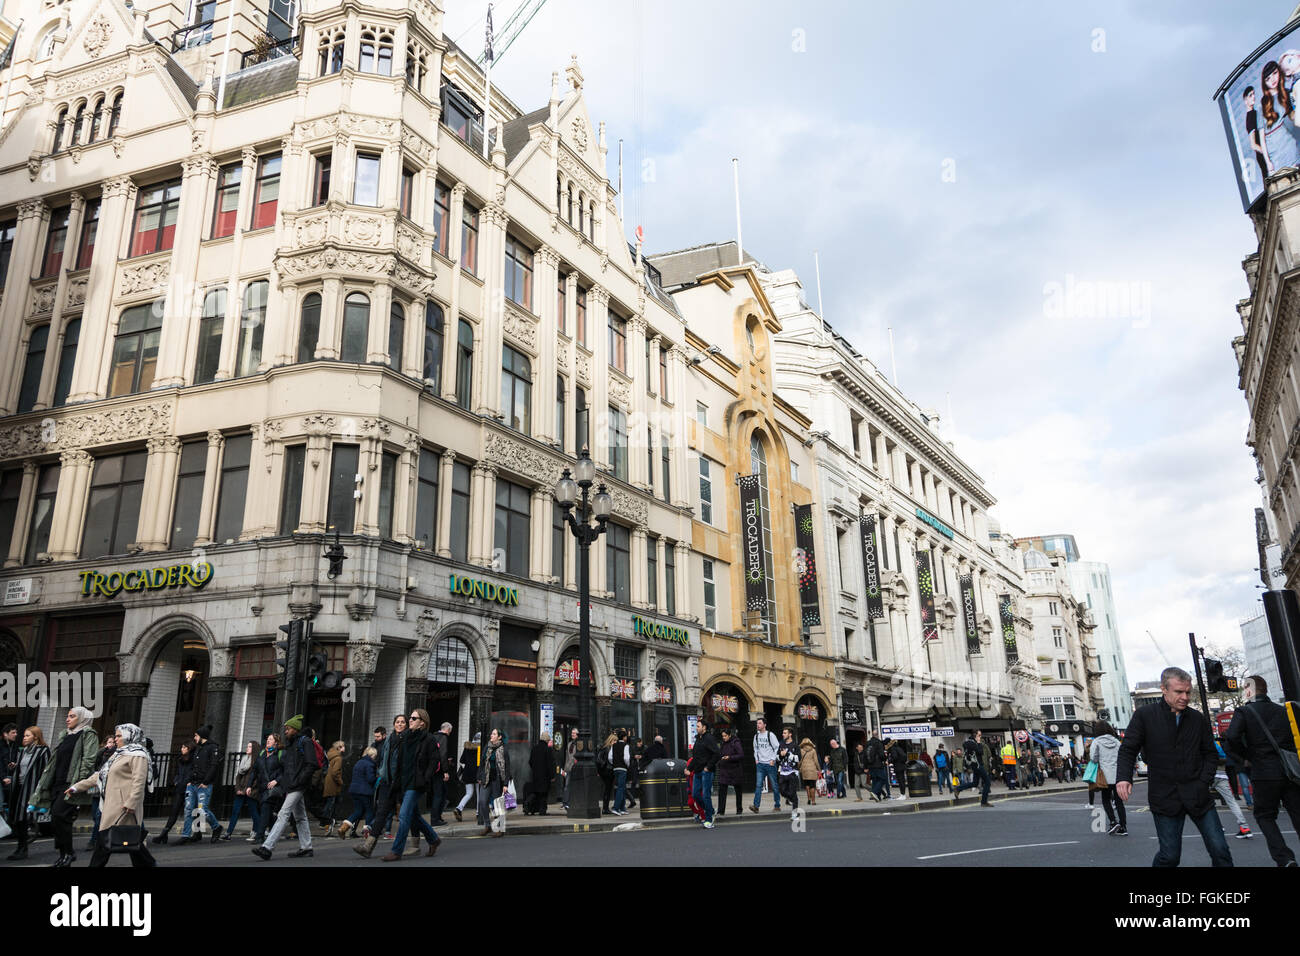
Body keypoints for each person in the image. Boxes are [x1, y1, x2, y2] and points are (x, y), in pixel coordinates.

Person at [1117, 666, 1232, 868]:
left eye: (1188, 692)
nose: (1185, 697)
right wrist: (1123, 778)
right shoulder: (1145, 716)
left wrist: (1203, 781)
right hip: (1165, 797)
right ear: (1164, 689)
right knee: (1169, 857)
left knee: (1220, 851)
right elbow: (1128, 749)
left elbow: (1210, 754)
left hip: (1198, 797)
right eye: (1179, 692)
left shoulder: (1197, 719)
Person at [1223, 674, 1300, 867]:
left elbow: (1231, 737)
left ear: (1249, 690)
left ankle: (1285, 858)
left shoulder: (1244, 712)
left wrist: (1245, 757)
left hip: (1264, 772)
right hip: (1290, 771)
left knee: (1265, 816)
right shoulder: (1282, 711)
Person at [64, 723, 155, 868]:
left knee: (107, 841)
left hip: (123, 806)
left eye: (119, 736)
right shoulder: (118, 755)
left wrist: (132, 802)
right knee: (130, 842)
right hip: (111, 804)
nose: (116, 739)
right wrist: (76, 787)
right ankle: (149, 864)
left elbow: (139, 781)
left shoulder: (138, 755)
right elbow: (100, 775)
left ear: (129, 736)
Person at [29, 707, 99, 867]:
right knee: (56, 818)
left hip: (71, 783)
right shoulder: (66, 736)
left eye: (72, 716)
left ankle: (69, 853)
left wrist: (79, 782)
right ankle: (64, 854)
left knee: (60, 815)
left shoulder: (88, 734)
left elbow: (89, 760)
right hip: (57, 782)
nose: (68, 719)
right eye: (67, 716)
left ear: (82, 718)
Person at [252, 715, 319, 861]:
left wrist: (299, 780)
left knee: (283, 814)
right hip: (292, 785)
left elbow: (312, 763)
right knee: (300, 817)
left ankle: (267, 847)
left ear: (295, 729)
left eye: (288, 729)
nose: (286, 732)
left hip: (297, 785)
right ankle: (306, 847)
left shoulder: (305, 742)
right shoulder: (292, 744)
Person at [382, 708, 441, 861]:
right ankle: (433, 839)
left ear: (422, 722)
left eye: (414, 718)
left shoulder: (429, 739)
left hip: (416, 784)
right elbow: (400, 761)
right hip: (403, 782)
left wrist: (425, 778)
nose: (410, 720)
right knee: (414, 816)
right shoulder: (406, 737)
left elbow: (434, 761)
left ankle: (396, 851)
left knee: (403, 815)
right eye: (411, 717)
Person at [6, 726, 48, 860]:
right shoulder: (23, 751)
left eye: (27, 735)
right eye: (24, 735)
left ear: (36, 737)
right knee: (16, 819)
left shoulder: (42, 751)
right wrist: (15, 766)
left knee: (23, 818)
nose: (24, 738)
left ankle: (22, 849)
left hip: (30, 788)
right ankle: (21, 847)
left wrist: (41, 790)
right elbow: (23, 768)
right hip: (18, 788)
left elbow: (46, 771)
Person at [183, 724, 222, 843]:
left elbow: (214, 766)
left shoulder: (212, 748)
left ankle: (216, 827)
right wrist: (189, 780)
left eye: (196, 735)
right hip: (193, 783)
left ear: (202, 736)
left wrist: (206, 782)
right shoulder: (198, 748)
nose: (194, 738)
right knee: (189, 809)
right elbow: (192, 765)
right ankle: (188, 834)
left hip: (203, 785)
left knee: (201, 810)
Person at [1089, 721, 1127, 836]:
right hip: (1118, 775)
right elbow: (1122, 756)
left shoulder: (1096, 742)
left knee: (1106, 800)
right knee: (1119, 801)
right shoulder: (1116, 741)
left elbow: (1093, 758)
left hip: (1105, 777)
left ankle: (1113, 822)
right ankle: (1123, 827)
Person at [221, 741, 263, 843]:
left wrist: (245, 790)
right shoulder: (244, 759)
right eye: (247, 746)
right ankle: (228, 833)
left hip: (250, 791)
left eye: (250, 746)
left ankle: (257, 832)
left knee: (254, 813)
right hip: (240, 790)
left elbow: (256, 779)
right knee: (235, 811)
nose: (247, 748)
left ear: (254, 749)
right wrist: (238, 789)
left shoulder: (257, 762)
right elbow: (238, 776)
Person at [1211, 739, 1253, 839]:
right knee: (1232, 802)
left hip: (1207, 775)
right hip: (1221, 775)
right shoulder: (1215, 743)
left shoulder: (1196, 740)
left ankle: (1218, 826)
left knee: (1207, 803)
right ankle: (1245, 827)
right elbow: (1224, 758)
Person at [477, 728, 511, 837]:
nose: (491, 735)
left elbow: (507, 767)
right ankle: (487, 825)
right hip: (486, 779)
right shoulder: (487, 747)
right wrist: (479, 776)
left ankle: (500, 829)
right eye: (491, 733)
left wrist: (505, 784)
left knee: (498, 805)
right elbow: (482, 763)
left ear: (499, 737)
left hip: (497, 780)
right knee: (482, 801)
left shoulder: (503, 749)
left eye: (494, 734)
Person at [687, 717, 720, 828]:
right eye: (696, 726)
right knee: (695, 794)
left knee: (706, 795)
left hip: (707, 771)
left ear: (704, 728)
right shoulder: (698, 739)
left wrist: (708, 767)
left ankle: (709, 820)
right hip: (697, 771)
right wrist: (689, 768)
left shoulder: (709, 738)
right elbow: (696, 756)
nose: (696, 728)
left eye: (698, 726)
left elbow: (717, 754)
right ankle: (710, 810)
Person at [339, 745, 378, 838]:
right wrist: (377, 778)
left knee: (358, 811)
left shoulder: (359, 762)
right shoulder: (370, 764)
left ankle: (343, 828)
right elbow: (370, 779)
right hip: (365, 791)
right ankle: (366, 831)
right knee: (369, 811)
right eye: (374, 756)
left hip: (354, 790)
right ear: (372, 755)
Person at [86, 733, 116, 850]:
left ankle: (94, 841)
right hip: (97, 788)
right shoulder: (103, 753)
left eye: (113, 742)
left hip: (108, 790)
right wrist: (104, 749)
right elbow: (94, 762)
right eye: (109, 742)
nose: (111, 744)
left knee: (99, 816)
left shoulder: (116, 755)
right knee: (95, 815)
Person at [251, 734, 282, 842]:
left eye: (270, 739)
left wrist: (276, 781)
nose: (268, 740)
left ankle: (259, 836)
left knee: (265, 810)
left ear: (276, 742)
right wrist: (249, 786)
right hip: (262, 788)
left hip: (272, 789)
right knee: (264, 811)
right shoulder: (262, 753)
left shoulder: (280, 754)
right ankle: (275, 829)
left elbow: (285, 771)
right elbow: (255, 771)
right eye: (267, 739)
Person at [953, 730, 992, 806]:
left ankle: (958, 789)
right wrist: (978, 742)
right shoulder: (972, 743)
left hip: (975, 766)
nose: (980, 737)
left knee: (975, 783)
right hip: (978, 766)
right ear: (975, 735)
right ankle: (984, 802)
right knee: (987, 782)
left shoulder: (968, 743)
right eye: (979, 735)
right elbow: (980, 752)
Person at [750, 717, 780, 812]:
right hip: (760, 765)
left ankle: (777, 805)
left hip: (770, 764)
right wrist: (756, 759)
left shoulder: (770, 735)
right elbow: (755, 749)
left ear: (764, 725)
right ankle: (756, 806)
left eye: (759, 723)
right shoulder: (756, 736)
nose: (758, 725)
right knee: (758, 785)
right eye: (757, 723)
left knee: (774, 785)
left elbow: (777, 747)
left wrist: (773, 759)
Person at [716, 727, 744, 815]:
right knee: (722, 790)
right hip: (724, 770)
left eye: (725, 736)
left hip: (735, 770)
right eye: (722, 736)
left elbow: (741, 755)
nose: (724, 738)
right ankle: (721, 811)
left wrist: (730, 757)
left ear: (729, 735)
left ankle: (739, 809)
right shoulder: (723, 743)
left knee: (738, 790)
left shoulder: (735, 742)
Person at [320, 740, 345, 835]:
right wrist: (341, 782)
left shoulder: (330, 755)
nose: (344, 748)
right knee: (331, 803)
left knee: (330, 802)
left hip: (328, 782)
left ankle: (328, 820)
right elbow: (335, 772)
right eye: (343, 746)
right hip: (334, 784)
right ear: (339, 748)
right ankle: (326, 821)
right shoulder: (338, 758)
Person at [525, 732, 554, 815]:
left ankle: (528, 803)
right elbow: (550, 764)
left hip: (536, 775)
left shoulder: (534, 748)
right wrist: (552, 776)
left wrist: (535, 769)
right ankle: (542, 810)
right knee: (544, 794)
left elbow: (530, 762)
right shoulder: (548, 750)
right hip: (545, 776)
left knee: (536, 792)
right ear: (547, 740)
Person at [776, 727, 800, 818]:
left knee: (793, 792)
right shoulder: (781, 744)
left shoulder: (795, 745)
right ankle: (791, 799)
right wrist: (780, 756)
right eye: (783, 733)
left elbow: (798, 759)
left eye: (785, 733)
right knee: (782, 791)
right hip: (782, 772)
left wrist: (788, 754)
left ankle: (794, 813)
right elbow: (777, 758)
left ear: (790, 734)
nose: (783, 734)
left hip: (792, 772)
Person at [609, 729, 632, 815]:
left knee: (621, 787)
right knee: (621, 788)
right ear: (624, 737)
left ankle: (622, 808)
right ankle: (616, 808)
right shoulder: (626, 745)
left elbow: (610, 757)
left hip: (615, 768)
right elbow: (626, 758)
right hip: (623, 769)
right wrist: (627, 765)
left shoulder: (613, 745)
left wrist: (615, 763)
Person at [456, 738, 477, 822]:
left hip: (467, 774)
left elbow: (461, 760)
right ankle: (478, 813)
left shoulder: (467, 747)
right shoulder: (481, 748)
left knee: (468, 793)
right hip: (477, 774)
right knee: (479, 795)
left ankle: (459, 808)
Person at [865, 731, 888, 802]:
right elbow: (881, 755)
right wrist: (885, 757)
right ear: (877, 735)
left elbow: (865, 756)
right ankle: (874, 792)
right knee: (882, 779)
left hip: (870, 765)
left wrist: (866, 766)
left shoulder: (867, 743)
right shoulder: (879, 743)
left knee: (875, 780)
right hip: (878, 765)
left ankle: (877, 797)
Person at [562, 727, 580, 810]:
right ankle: (566, 802)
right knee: (567, 785)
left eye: (574, 733)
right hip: (569, 768)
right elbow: (567, 757)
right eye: (572, 733)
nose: (572, 734)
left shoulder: (579, 744)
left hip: (576, 768)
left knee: (575, 786)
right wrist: (565, 769)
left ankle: (573, 802)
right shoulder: (570, 744)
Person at [798, 737, 820, 805]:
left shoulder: (801, 750)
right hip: (812, 769)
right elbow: (816, 761)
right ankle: (813, 801)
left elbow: (799, 761)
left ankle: (809, 799)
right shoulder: (813, 750)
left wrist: (798, 767)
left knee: (807, 785)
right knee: (812, 785)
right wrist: (819, 769)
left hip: (804, 769)